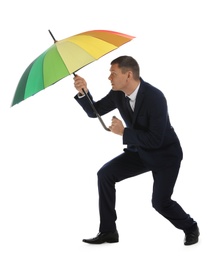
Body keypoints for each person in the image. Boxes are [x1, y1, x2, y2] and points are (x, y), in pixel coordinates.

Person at [73, 56, 199, 245]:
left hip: (165, 155)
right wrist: (84, 92)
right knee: (105, 174)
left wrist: (124, 132)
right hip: (139, 152)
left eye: (113, 74)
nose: (109, 78)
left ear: (128, 75)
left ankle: (190, 227)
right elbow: (95, 111)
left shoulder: (155, 97)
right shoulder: (118, 93)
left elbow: (155, 140)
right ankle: (108, 231)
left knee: (160, 203)